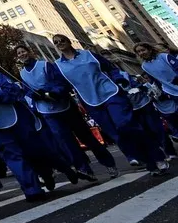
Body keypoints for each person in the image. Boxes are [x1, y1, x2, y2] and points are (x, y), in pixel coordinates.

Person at [0, 53, 92, 201]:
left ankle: (63, 168)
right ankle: (32, 189)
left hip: (18, 119)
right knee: (13, 156)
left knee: (36, 150)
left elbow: (14, 91)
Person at [52, 34, 167, 175]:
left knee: (125, 125)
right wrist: (52, 93)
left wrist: (119, 79)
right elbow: (61, 85)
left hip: (111, 93)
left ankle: (157, 156)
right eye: (56, 42)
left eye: (62, 40)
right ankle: (149, 163)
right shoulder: (58, 65)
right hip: (91, 102)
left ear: (69, 41)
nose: (59, 43)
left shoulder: (88, 54)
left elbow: (110, 67)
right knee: (116, 135)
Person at [15, 44, 118, 178]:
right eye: (19, 53)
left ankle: (109, 164)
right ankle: (84, 168)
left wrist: (50, 92)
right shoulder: (22, 73)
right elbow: (27, 89)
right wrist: (34, 95)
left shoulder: (45, 65)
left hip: (65, 106)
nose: (22, 54)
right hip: (47, 111)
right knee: (66, 141)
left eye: (24, 51)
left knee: (85, 136)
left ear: (30, 52)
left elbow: (60, 82)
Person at [135, 42, 178, 132]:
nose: (141, 53)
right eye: (138, 52)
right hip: (171, 91)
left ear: (150, 49)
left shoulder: (164, 56)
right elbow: (154, 80)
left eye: (143, 50)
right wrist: (162, 92)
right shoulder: (144, 66)